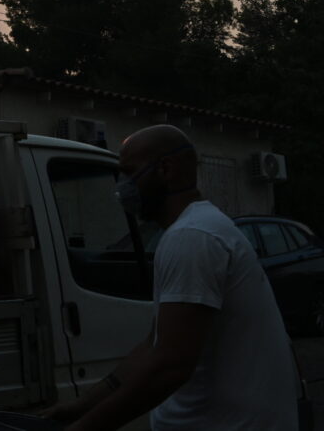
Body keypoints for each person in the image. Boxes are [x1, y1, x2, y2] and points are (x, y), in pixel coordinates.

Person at [46, 124, 300, 431]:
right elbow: (155, 346)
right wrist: (82, 406)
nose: (122, 187)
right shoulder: (193, 230)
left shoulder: (192, 238)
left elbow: (171, 365)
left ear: (165, 169)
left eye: (129, 172)